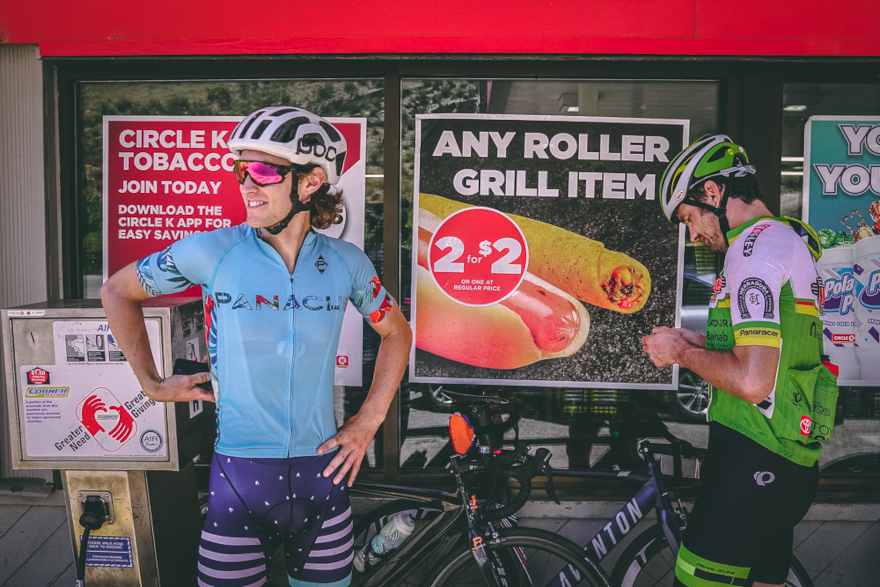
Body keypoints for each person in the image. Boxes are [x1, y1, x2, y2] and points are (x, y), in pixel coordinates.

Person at [101, 106, 412, 587]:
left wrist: (369, 419)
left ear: (309, 182)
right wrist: (152, 384)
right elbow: (118, 291)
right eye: (240, 169)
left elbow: (397, 332)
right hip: (238, 480)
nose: (247, 184)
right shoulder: (211, 251)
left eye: (264, 171)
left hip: (323, 477)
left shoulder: (347, 262)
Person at [642, 134, 837, 587]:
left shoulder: (752, 254)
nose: (692, 234)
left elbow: (753, 382)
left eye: (689, 218)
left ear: (713, 193)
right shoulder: (783, 241)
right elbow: (770, 345)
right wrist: (689, 338)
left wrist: (682, 354)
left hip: (753, 461)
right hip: (786, 466)